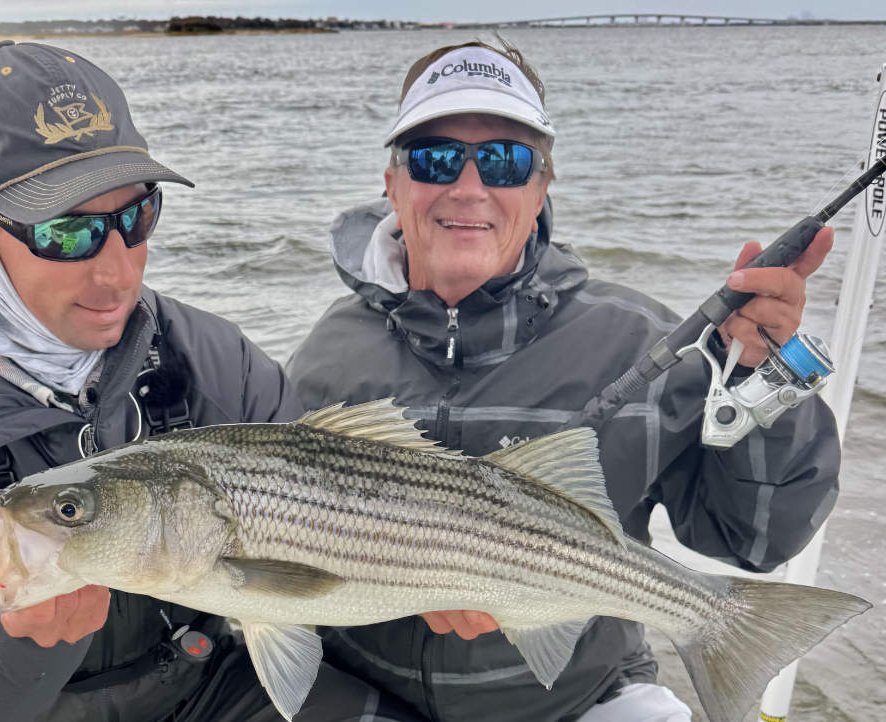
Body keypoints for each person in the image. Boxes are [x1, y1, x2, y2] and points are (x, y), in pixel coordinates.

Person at [0, 41, 419, 722]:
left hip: (203, 688)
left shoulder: (215, 357)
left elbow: (319, 567)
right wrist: (14, 638)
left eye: (135, 217)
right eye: (65, 232)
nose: (116, 271)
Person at [287, 39, 840, 721]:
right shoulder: (325, 353)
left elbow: (753, 539)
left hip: (582, 697)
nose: (468, 187)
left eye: (503, 160)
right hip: (371, 698)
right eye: (434, 158)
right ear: (392, 183)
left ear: (542, 184)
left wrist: (767, 379)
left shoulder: (639, 339)